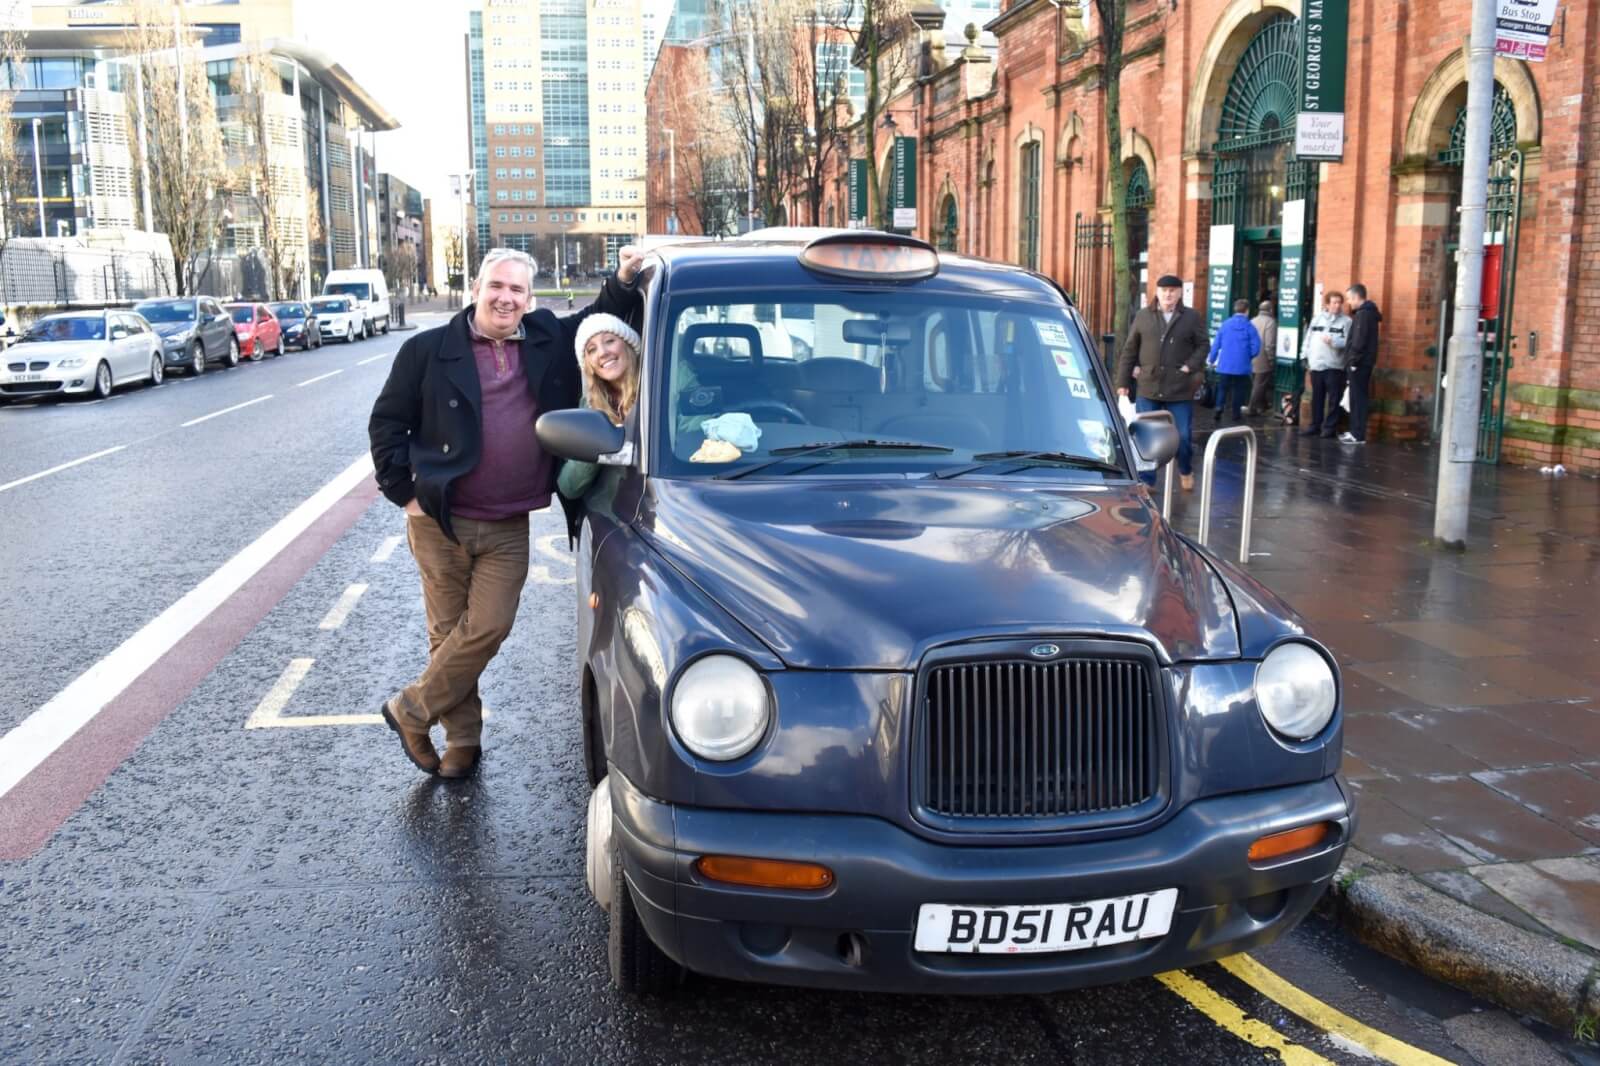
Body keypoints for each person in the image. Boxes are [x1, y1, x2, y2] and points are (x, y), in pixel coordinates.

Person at [369, 245, 644, 779]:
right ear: (477, 289)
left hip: (507, 521)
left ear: (529, 299)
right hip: (440, 520)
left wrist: (623, 277)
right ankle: (463, 742)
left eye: (517, 290)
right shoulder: (427, 350)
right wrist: (404, 494)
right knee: (448, 633)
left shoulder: (542, 338)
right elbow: (387, 424)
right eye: (497, 286)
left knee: (487, 627)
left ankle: (411, 709)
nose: (505, 298)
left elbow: (596, 321)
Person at [1116, 274, 1209, 490]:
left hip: (1179, 388)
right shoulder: (1143, 316)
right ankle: (1147, 479)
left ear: (1179, 293)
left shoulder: (1192, 317)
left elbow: (1203, 345)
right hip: (1148, 386)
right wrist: (1123, 382)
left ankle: (1185, 469)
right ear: (1157, 293)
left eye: (1173, 291)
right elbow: (1130, 350)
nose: (1168, 294)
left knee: (1183, 437)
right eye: (1164, 291)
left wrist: (1189, 366)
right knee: (1146, 436)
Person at [556, 312, 642, 502]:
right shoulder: (590, 406)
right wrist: (596, 440)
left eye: (610, 341)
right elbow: (569, 487)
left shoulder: (662, 382)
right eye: (592, 350)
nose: (602, 352)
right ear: (589, 365)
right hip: (618, 515)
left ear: (629, 344)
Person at [1301, 290, 1352, 438]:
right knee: (1317, 397)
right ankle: (1315, 425)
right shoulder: (1317, 319)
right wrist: (1304, 356)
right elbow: (1308, 338)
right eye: (1334, 302)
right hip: (1316, 364)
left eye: (1339, 303)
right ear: (1327, 304)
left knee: (1334, 398)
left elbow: (1349, 343)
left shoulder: (1346, 322)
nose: (1337, 306)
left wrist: (1334, 342)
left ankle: (1329, 427)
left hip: (1334, 365)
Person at [1207, 298, 1260, 425]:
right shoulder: (1250, 327)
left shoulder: (1226, 324)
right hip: (1241, 365)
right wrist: (1248, 356)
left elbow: (1216, 344)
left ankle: (1219, 407)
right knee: (1239, 389)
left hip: (1225, 364)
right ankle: (1236, 413)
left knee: (1222, 387)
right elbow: (1256, 346)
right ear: (1247, 311)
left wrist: (1211, 359)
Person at [1341, 284, 1382, 444]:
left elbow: (1359, 340)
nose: (1349, 303)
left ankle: (1357, 434)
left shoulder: (1363, 315)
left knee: (1358, 398)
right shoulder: (1367, 313)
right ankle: (1355, 431)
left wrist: (1353, 361)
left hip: (1360, 363)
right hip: (1363, 362)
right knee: (1356, 397)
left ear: (1357, 297)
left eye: (1350, 299)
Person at [1248, 300, 1277, 416]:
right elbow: (1269, 344)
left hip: (1250, 357)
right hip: (1262, 359)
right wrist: (1271, 359)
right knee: (1259, 385)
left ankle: (1262, 406)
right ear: (1271, 310)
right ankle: (1252, 408)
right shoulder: (1270, 322)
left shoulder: (1252, 321)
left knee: (1256, 383)